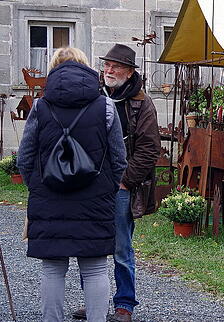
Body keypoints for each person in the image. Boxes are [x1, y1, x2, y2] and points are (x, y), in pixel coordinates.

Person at [17, 47, 128, 322]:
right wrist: (106, 188)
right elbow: (118, 158)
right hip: (96, 197)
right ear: (85, 67)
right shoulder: (105, 106)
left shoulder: (40, 106)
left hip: (48, 196)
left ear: (54, 69)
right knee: (95, 269)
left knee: (52, 269)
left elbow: (25, 158)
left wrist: (37, 186)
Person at [72, 44, 161, 322]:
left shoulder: (141, 103)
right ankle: (94, 302)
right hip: (90, 183)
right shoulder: (93, 94)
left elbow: (149, 148)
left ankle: (124, 304)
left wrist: (125, 181)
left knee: (122, 248)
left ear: (129, 72)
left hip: (120, 186)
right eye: (106, 65)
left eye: (116, 67)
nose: (109, 71)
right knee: (89, 244)